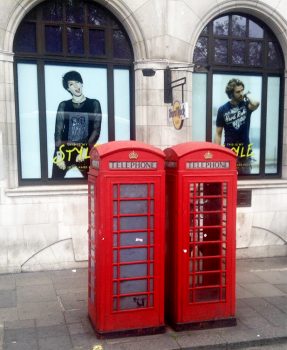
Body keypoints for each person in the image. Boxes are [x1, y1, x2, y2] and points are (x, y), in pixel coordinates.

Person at [52, 71, 102, 179]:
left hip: (85, 150)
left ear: (82, 83)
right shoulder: (63, 105)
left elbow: (96, 130)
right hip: (65, 150)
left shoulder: (94, 104)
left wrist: (86, 149)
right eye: (71, 84)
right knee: (55, 180)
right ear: (68, 89)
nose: (75, 86)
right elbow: (58, 131)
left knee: (94, 181)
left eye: (77, 82)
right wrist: (59, 154)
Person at [214, 78, 260, 175]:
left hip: (245, 152)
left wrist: (247, 95)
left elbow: (256, 103)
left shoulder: (246, 105)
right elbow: (218, 133)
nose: (241, 93)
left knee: (246, 182)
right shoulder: (223, 109)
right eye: (238, 92)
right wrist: (217, 154)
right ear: (231, 93)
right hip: (230, 152)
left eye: (242, 90)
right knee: (230, 181)